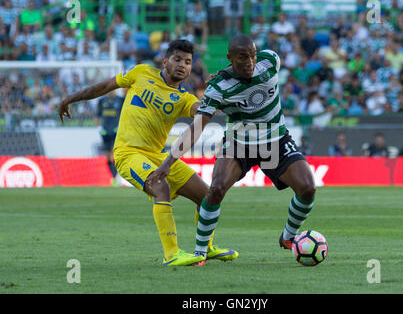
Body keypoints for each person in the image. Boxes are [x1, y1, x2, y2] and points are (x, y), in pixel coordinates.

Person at [58, 39, 237, 266]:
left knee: (208, 197)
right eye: (177, 59)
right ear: (165, 61)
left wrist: (224, 93)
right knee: (159, 187)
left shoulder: (184, 99)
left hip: (157, 155)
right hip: (128, 153)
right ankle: (172, 254)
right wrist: (70, 98)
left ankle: (207, 247)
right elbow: (105, 86)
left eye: (188, 62)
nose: (182, 65)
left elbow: (204, 113)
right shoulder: (141, 72)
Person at [148, 35, 316, 264]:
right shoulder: (218, 87)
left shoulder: (271, 61)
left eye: (252, 56)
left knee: (307, 188)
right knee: (215, 189)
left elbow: (255, 61)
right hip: (239, 144)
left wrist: (230, 69)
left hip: (275, 139)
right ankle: (200, 251)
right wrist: (167, 164)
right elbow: (197, 128)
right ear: (230, 58)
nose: (250, 62)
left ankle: (288, 236)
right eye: (243, 58)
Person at [95, 90, 124, 182]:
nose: (111, 92)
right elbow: (97, 115)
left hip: (116, 131)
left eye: (113, 90)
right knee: (107, 155)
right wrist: (99, 127)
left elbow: (125, 113)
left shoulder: (121, 100)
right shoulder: (102, 101)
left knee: (114, 154)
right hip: (105, 132)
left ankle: (116, 176)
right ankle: (113, 176)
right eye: (109, 90)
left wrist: (121, 126)